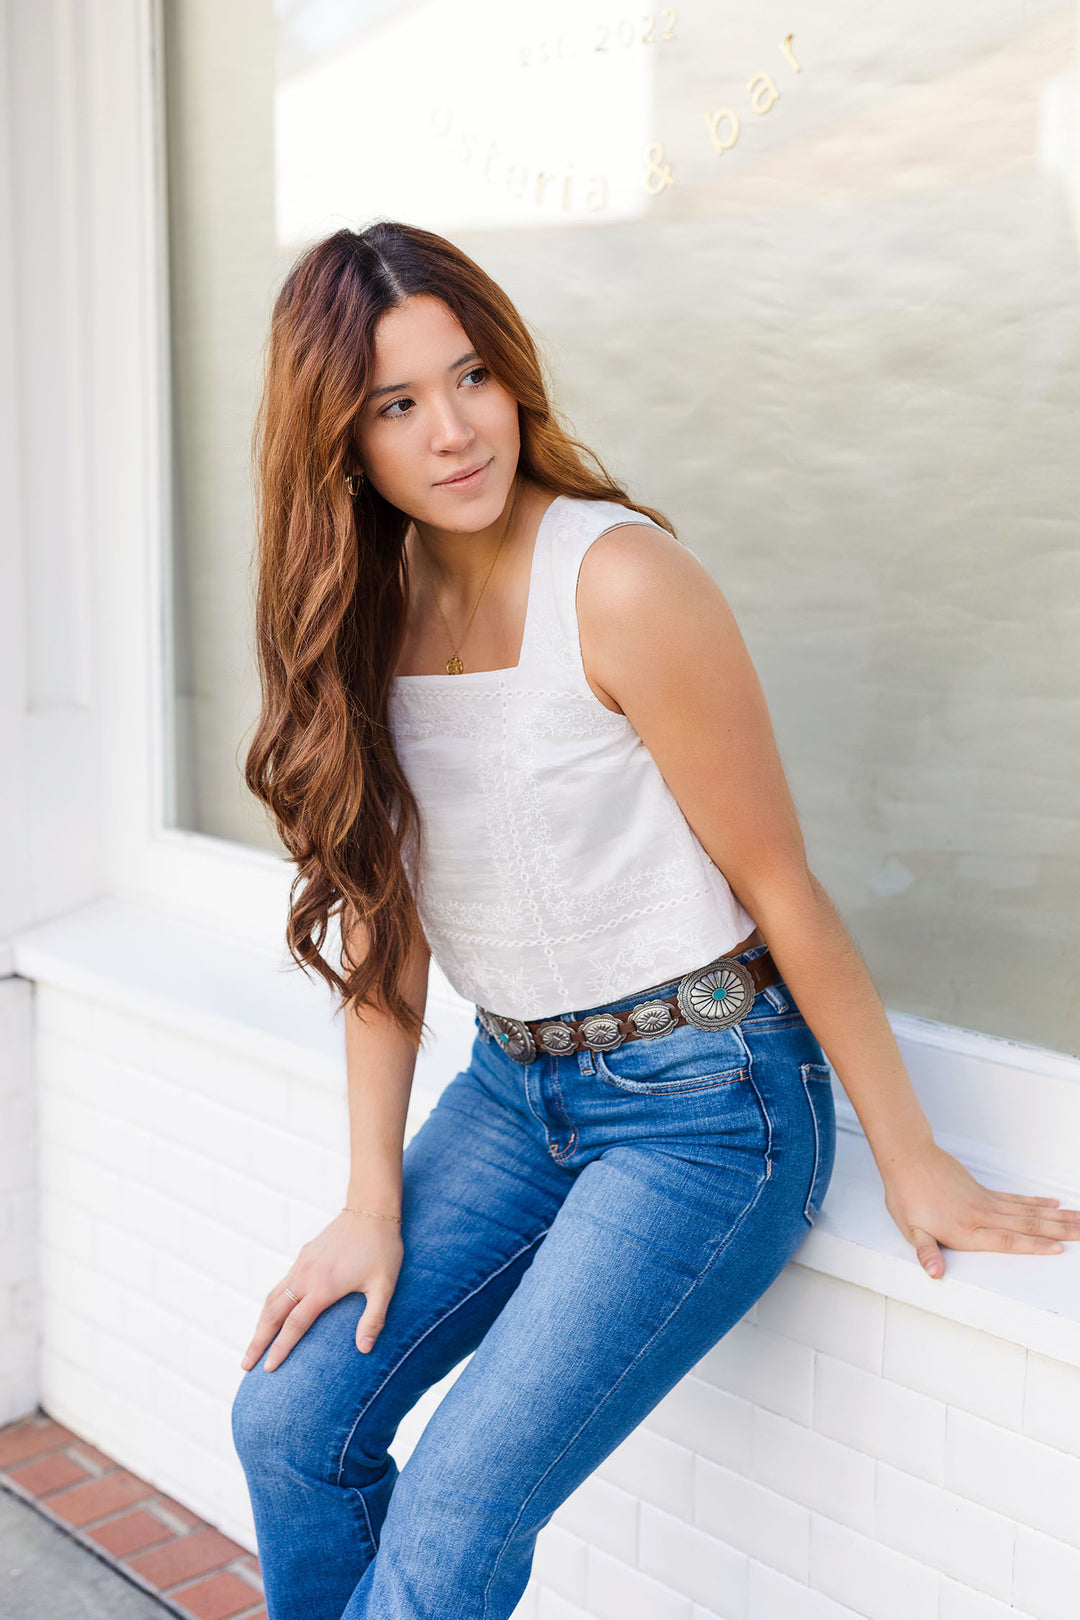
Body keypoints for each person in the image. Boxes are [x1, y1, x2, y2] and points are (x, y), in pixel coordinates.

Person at [230, 220, 1080, 1620]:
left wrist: (914, 1156)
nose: (454, 430)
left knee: (454, 1507)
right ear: (339, 441)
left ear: (513, 380)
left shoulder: (618, 582)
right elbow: (385, 937)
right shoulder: (364, 614)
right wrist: (367, 1203)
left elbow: (781, 887)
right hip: (513, 1094)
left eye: (471, 378)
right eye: (397, 404)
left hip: (707, 1108)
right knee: (289, 1425)